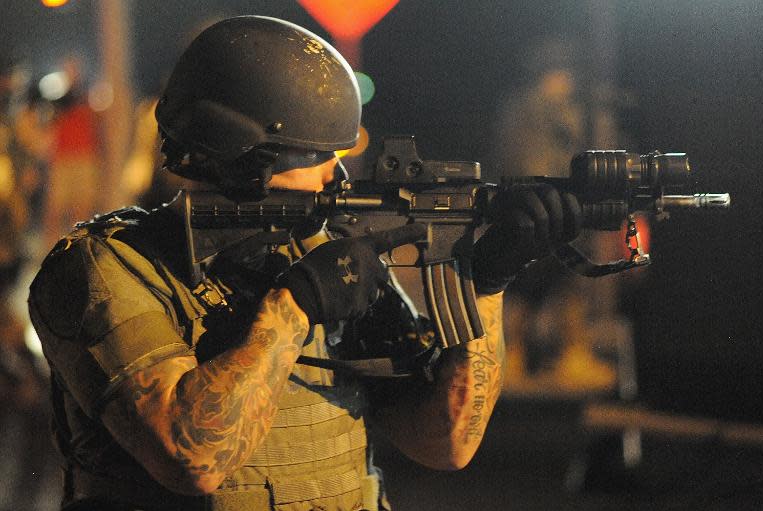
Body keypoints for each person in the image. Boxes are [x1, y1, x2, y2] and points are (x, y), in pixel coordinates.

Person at [28, 16, 582, 511]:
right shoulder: (105, 270)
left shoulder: (318, 250)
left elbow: (444, 443)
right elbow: (192, 458)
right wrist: (293, 308)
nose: (335, 177)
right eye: (318, 155)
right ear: (245, 157)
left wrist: (484, 285)